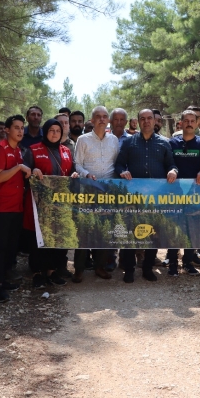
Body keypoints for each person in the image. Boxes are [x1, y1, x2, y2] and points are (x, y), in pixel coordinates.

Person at [115, 109, 178, 282]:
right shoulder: (129, 142)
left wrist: (173, 171)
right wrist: (123, 172)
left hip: (156, 198)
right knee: (130, 233)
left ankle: (148, 268)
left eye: (149, 118)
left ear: (155, 121)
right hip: (133, 197)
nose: (146, 122)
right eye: (142, 119)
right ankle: (129, 269)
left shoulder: (164, 143)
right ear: (138, 121)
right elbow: (119, 165)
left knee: (153, 233)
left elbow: (171, 165)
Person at [24, 118, 78, 287]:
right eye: (51, 131)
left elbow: (72, 171)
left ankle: (52, 271)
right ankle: (38, 273)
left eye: (57, 131)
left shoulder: (66, 151)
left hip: (60, 204)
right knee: (38, 238)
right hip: (39, 204)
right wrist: (33, 170)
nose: (54, 134)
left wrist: (74, 175)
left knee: (56, 236)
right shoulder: (33, 150)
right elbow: (25, 171)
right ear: (45, 132)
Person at [74, 106, 120, 281]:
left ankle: (99, 267)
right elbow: (77, 164)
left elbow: (116, 163)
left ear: (108, 120)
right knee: (84, 230)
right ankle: (78, 269)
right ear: (92, 121)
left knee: (103, 231)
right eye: (98, 117)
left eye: (104, 116)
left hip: (107, 192)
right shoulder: (83, 140)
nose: (102, 119)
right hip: (87, 190)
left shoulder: (114, 140)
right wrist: (86, 175)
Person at [0, 115, 31, 301]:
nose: (20, 131)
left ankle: (4, 279)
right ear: (7, 130)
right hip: (1, 208)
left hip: (16, 207)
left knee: (10, 247)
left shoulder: (19, 151)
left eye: (22, 128)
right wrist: (19, 167)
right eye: (16, 127)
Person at [168, 110, 200, 276]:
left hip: (195, 192)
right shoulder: (172, 143)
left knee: (191, 227)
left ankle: (188, 262)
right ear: (180, 123)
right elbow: (168, 163)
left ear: (198, 122)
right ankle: (173, 263)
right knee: (174, 228)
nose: (189, 123)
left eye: (192, 120)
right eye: (186, 120)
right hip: (174, 192)